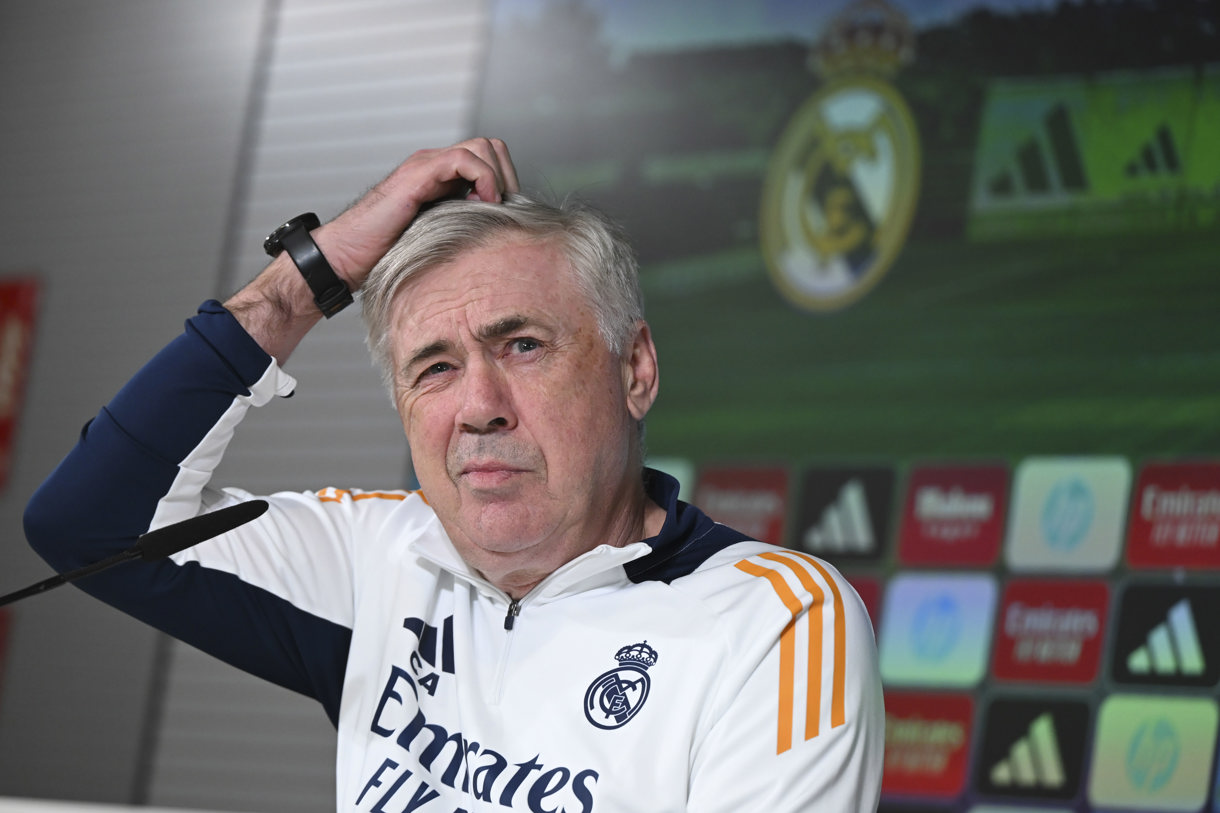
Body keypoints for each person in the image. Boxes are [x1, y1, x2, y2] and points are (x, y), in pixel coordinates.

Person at [25, 138, 884, 811]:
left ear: (635, 370)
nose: (479, 405)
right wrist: (301, 285)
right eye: (433, 367)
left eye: (522, 344)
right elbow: (90, 526)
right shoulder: (376, 556)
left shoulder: (773, 621)